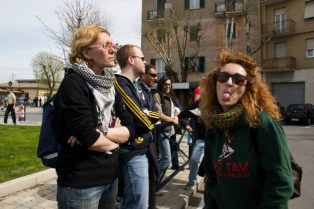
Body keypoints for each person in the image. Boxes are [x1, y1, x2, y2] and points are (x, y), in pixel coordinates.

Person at [52, 25, 134, 209]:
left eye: (113, 44)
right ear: (87, 52)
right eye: (105, 45)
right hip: (81, 184)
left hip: (111, 177)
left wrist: (101, 132)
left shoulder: (111, 85)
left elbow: (130, 128)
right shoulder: (73, 84)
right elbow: (89, 137)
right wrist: (115, 142)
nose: (113, 49)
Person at [200, 49, 294, 209]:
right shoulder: (213, 127)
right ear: (215, 83)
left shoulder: (262, 123)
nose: (229, 83)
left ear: (247, 89)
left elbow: (280, 183)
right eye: (223, 77)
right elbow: (212, 177)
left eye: (238, 79)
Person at [115, 44, 159, 209]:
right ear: (131, 60)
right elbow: (143, 120)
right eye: (142, 58)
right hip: (132, 152)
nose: (145, 61)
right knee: (137, 205)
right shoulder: (120, 83)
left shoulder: (137, 86)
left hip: (143, 148)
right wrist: (151, 116)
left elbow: (152, 111)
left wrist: (148, 114)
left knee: (139, 203)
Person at [179, 86, 205, 190]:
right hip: (201, 139)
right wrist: (186, 125)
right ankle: (192, 181)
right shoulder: (196, 106)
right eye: (197, 95)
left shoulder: (216, 105)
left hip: (215, 140)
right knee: (194, 159)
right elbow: (182, 115)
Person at [154, 76, 180, 179]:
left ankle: (155, 181)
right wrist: (172, 120)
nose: (167, 86)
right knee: (166, 159)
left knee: (164, 157)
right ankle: (154, 182)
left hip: (170, 131)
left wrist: (176, 118)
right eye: (165, 84)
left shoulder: (170, 96)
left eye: (169, 84)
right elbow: (158, 114)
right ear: (161, 85)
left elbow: (175, 110)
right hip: (162, 131)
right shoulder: (157, 95)